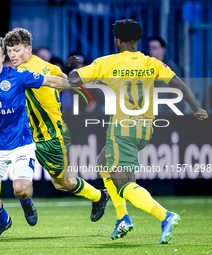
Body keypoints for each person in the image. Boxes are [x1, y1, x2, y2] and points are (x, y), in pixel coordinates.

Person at [0, 28, 110, 236]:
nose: (13, 55)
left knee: (63, 182)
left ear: (29, 50)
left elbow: (53, 79)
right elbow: (57, 73)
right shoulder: (20, 68)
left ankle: (98, 196)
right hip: (25, 134)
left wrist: (79, 85)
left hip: (50, 134)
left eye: (17, 50)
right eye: (10, 51)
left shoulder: (30, 70)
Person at [67, 19, 208, 244]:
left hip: (121, 130)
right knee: (103, 164)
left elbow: (73, 80)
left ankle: (165, 216)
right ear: (138, 40)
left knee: (123, 183)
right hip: (145, 131)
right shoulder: (151, 63)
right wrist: (196, 109)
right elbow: (180, 85)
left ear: (119, 40)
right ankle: (123, 218)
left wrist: (80, 71)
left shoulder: (107, 62)